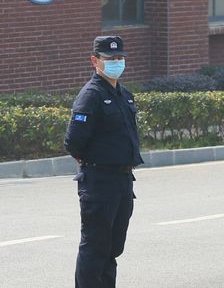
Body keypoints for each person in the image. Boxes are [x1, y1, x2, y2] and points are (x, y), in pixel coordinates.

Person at [64, 36, 143, 288]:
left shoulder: (123, 94)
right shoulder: (91, 95)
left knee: (112, 247)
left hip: (122, 180)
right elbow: (73, 141)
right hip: (99, 182)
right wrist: (91, 161)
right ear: (95, 61)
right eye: (110, 59)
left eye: (120, 58)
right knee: (95, 247)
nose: (116, 63)